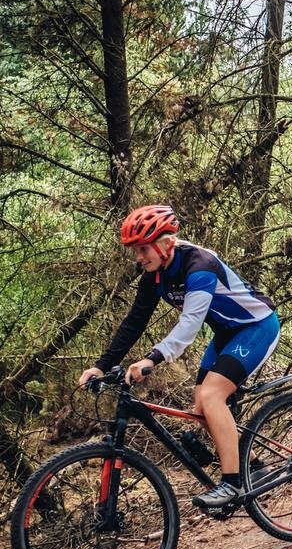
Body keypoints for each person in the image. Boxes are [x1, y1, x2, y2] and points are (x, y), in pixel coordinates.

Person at [78, 205, 280, 509]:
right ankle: (255, 467)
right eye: (135, 251)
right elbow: (134, 322)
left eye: (143, 249)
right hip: (227, 334)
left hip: (257, 326)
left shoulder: (199, 266)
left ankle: (232, 484)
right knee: (202, 405)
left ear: (166, 243)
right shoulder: (154, 276)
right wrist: (101, 366)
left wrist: (152, 359)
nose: (139, 257)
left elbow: (189, 325)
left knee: (212, 396)